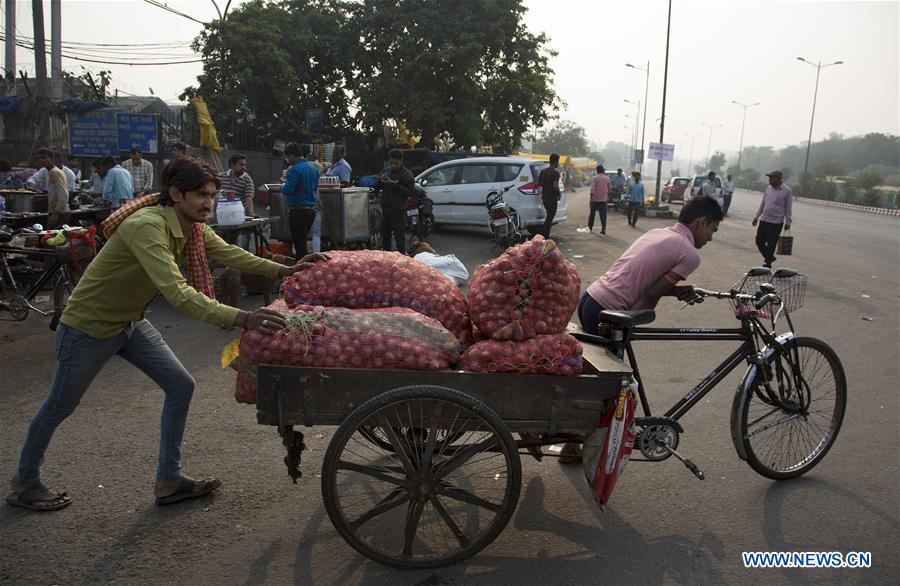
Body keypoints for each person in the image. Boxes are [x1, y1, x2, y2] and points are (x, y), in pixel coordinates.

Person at [6, 156, 328, 511]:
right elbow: (178, 293)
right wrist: (243, 318)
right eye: (201, 195)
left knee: (180, 385)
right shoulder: (148, 226)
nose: (208, 203)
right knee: (59, 406)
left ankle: (169, 480)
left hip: (130, 323)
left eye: (212, 195)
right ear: (176, 194)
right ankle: (25, 482)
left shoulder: (191, 225)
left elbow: (230, 252)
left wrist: (286, 269)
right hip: (88, 328)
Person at [282, 142, 319, 258]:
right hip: (311, 211)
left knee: (300, 247)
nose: (287, 160)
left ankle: (302, 272)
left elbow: (288, 190)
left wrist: (282, 186)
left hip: (298, 212)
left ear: (292, 155)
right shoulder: (313, 169)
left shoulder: (294, 170)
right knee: (302, 243)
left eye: (288, 157)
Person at [375, 149, 416, 252]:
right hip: (385, 211)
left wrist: (396, 186)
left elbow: (411, 192)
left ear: (401, 161)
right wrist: (380, 181)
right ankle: (386, 262)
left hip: (398, 211)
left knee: (399, 239)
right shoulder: (386, 171)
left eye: (396, 163)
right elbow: (376, 185)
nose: (393, 165)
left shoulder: (406, 174)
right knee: (385, 239)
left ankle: (402, 260)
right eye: (391, 163)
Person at [752, 170, 792, 268]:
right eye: (769, 178)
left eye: (771, 178)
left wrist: (788, 221)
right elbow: (763, 203)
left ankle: (768, 262)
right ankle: (769, 257)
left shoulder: (787, 191)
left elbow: (788, 207)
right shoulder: (768, 189)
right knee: (759, 241)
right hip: (764, 219)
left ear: (778, 179)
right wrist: (756, 216)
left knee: (771, 243)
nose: (769, 180)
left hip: (776, 222)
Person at [218, 154, 256, 250]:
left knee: (241, 235)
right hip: (222, 213)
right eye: (240, 165)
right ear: (232, 165)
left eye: (244, 165)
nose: (243, 167)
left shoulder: (247, 180)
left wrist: (250, 216)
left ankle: (243, 254)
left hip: (238, 214)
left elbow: (249, 199)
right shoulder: (220, 177)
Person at [578, 164, 611, 234]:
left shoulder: (594, 178)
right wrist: (606, 195)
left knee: (592, 214)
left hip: (595, 199)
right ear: (603, 170)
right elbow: (609, 189)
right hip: (603, 199)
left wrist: (591, 199)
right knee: (603, 215)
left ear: (597, 170)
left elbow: (592, 189)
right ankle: (603, 229)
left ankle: (590, 227)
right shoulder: (607, 178)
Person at [538, 153, 562, 238]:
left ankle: (544, 234)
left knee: (549, 216)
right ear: (556, 162)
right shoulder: (556, 173)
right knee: (550, 217)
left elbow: (540, 184)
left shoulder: (543, 171)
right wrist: (559, 193)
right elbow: (555, 185)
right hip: (552, 198)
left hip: (544, 197)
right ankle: (544, 235)